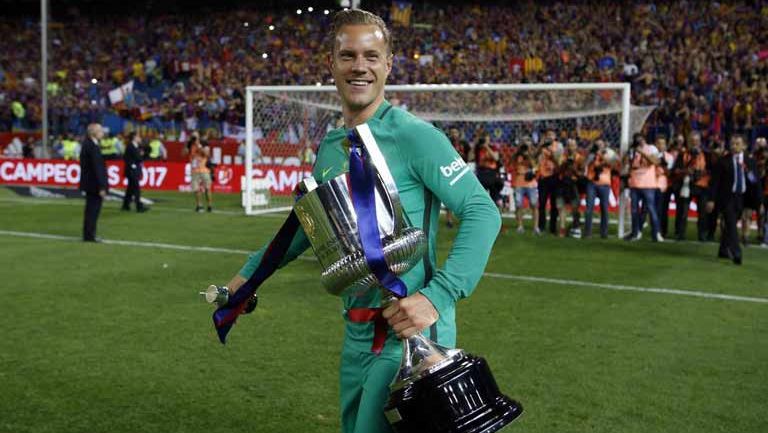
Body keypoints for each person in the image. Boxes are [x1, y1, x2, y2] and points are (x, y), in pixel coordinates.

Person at [218, 9, 501, 433]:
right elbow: (303, 229)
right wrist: (247, 279)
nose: (359, 66)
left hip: (410, 335)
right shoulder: (333, 147)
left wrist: (436, 297)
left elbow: (482, 212)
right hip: (356, 334)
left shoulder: (414, 136)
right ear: (331, 64)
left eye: (371, 55)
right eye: (348, 55)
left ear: (388, 64)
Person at [706, 135, 756, 265]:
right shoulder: (722, 161)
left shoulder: (749, 161)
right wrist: (711, 199)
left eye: (737, 144)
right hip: (727, 198)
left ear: (744, 145)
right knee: (732, 224)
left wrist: (759, 200)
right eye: (732, 143)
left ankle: (723, 250)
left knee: (730, 225)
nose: (734, 146)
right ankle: (737, 252)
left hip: (742, 198)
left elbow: (754, 182)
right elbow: (714, 182)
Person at [625, 133, 662, 242]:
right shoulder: (632, 151)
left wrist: (642, 152)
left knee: (651, 209)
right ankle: (635, 233)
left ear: (644, 139)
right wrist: (628, 155)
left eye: (641, 139)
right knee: (634, 210)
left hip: (648, 184)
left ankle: (656, 233)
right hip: (635, 184)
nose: (639, 141)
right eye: (637, 140)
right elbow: (628, 164)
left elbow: (655, 162)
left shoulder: (651, 148)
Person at [79, 123, 108, 242]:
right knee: (93, 210)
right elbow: (97, 168)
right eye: (100, 130)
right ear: (93, 133)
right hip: (94, 184)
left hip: (90, 183)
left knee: (91, 210)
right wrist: (102, 186)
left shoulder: (89, 145)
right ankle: (90, 235)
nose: (102, 133)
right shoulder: (92, 146)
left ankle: (89, 234)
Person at [584, 139, 615, 238]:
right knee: (589, 208)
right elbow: (584, 165)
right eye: (597, 144)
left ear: (604, 145)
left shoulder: (609, 153)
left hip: (604, 184)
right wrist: (590, 154)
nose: (599, 146)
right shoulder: (591, 155)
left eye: (601, 144)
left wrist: (601, 155)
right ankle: (588, 232)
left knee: (604, 209)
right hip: (592, 182)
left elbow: (612, 164)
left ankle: (604, 233)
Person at [537, 130, 562, 234]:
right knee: (542, 203)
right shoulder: (542, 145)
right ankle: (541, 226)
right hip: (543, 177)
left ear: (555, 136)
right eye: (548, 135)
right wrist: (541, 145)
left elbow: (559, 161)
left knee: (554, 203)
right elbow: (534, 155)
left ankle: (553, 227)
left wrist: (551, 151)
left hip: (554, 177)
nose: (550, 137)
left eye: (551, 135)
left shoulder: (559, 146)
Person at [512, 139, 539, 234]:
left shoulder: (533, 154)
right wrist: (519, 149)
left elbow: (535, 166)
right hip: (519, 181)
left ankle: (535, 227)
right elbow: (512, 161)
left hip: (530, 182)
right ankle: (520, 226)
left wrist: (528, 155)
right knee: (519, 205)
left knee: (534, 204)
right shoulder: (517, 155)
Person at [122, 131, 148, 212]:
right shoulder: (130, 146)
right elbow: (128, 158)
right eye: (138, 136)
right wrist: (133, 164)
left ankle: (125, 205)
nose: (140, 138)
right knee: (136, 188)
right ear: (134, 137)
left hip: (134, 170)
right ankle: (139, 206)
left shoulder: (136, 146)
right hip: (132, 171)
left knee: (130, 189)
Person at [187, 133, 213, 212]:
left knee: (207, 189)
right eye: (193, 137)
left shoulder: (204, 145)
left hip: (204, 170)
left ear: (198, 137)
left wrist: (199, 146)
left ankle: (209, 205)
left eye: (195, 137)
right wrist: (187, 144)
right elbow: (183, 153)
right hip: (195, 170)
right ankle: (199, 205)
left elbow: (207, 155)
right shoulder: (190, 145)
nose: (194, 138)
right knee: (196, 189)